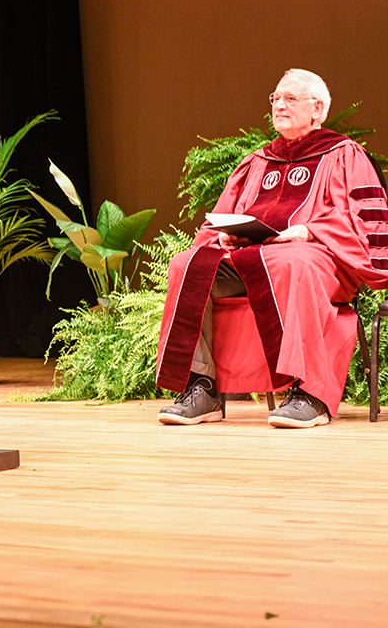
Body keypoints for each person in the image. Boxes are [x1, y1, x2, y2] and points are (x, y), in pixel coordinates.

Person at [156, 69, 388, 428]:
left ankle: (309, 393)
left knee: (292, 261)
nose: (279, 105)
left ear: (318, 109)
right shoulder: (258, 161)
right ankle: (201, 387)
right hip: (253, 258)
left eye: (290, 99)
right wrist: (225, 234)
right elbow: (221, 216)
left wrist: (308, 231)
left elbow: (363, 221)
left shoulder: (345, 156)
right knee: (187, 265)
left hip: (319, 261)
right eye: (275, 98)